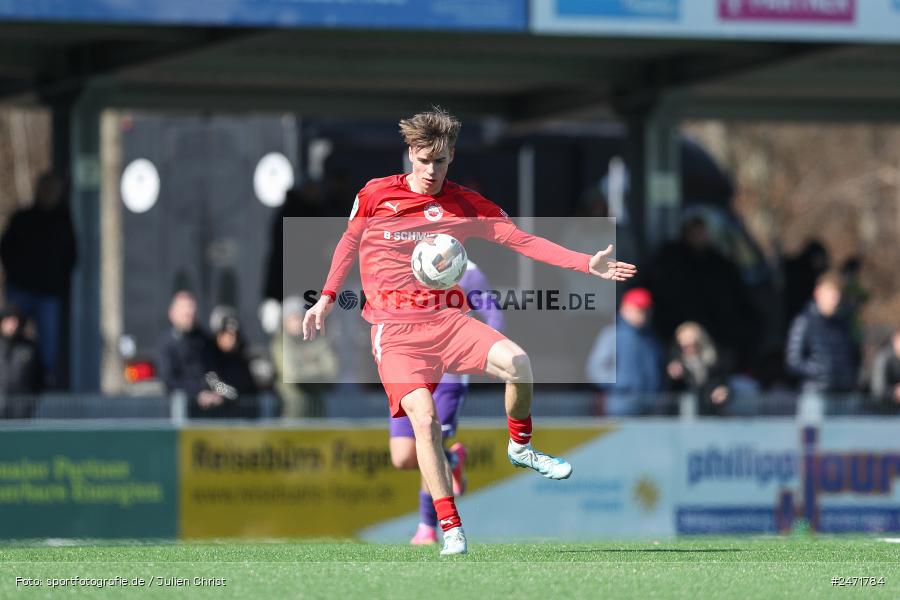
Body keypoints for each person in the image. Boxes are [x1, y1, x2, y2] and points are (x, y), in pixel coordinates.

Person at [302, 107, 636, 555]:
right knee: (426, 423)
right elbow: (348, 242)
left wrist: (584, 263)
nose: (430, 171)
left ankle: (520, 445)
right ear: (410, 155)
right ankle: (450, 529)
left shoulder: (466, 205)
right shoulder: (376, 195)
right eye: (423, 161)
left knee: (518, 362)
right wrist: (325, 297)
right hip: (395, 333)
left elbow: (523, 241)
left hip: (448, 323)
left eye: (439, 162)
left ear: (451, 157)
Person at [391, 260, 504, 545]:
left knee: (427, 442)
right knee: (403, 457)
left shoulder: (469, 271)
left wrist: (492, 352)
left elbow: (493, 314)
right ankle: (452, 460)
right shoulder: (399, 262)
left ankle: (427, 527)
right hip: (406, 370)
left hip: (448, 375)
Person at [0, 172, 76, 386]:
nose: (50, 194)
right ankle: (7, 383)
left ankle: (45, 383)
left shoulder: (63, 221)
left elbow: (71, 255)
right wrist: (15, 274)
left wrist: (59, 281)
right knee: (9, 338)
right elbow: (6, 248)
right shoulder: (23, 218)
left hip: (48, 294)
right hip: (20, 289)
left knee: (49, 345)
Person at [586, 288, 664, 416]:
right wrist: (621, 384)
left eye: (646, 310)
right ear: (624, 309)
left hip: (651, 405)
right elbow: (595, 369)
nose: (643, 314)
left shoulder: (652, 338)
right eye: (638, 309)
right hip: (621, 405)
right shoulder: (611, 334)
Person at [785, 272, 859, 404]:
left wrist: (848, 377)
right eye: (831, 294)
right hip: (815, 397)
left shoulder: (843, 323)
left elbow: (853, 356)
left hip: (843, 395)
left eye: (838, 294)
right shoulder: (804, 322)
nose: (835, 299)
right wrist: (820, 370)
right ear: (818, 293)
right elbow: (793, 361)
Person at [156, 291, 222, 419]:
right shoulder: (166, 344)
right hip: (179, 413)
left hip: (209, 412)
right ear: (172, 314)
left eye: (192, 313)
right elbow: (169, 379)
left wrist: (216, 391)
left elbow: (213, 370)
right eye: (185, 314)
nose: (190, 316)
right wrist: (198, 393)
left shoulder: (205, 340)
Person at [271, 296, 339, 418]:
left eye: (300, 317)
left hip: (317, 408)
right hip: (291, 410)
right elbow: (293, 375)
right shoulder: (280, 343)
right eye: (293, 318)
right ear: (284, 321)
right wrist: (316, 368)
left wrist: (305, 369)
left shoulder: (318, 340)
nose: (297, 322)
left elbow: (331, 372)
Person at [667, 321, 733, 417]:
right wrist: (672, 377)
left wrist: (723, 391)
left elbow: (722, 383)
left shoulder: (713, 361)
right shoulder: (674, 362)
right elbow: (669, 390)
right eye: (684, 346)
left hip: (710, 413)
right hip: (681, 414)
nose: (689, 349)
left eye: (693, 345)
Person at [208, 306, 259, 418]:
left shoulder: (244, 357)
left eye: (234, 334)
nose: (231, 338)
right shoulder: (209, 357)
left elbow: (252, 388)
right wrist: (228, 392)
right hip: (215, 420)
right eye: (225, 334)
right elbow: (211, 381)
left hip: (244, 419)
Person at [0, 306, 42, 418]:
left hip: (22, 406)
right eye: (8, 321)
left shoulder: (29, 347)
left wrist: (32, 398)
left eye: (15, 321)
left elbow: (39, 376)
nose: (12, 325)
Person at [869, 329, 900, 413]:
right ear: (895, 340)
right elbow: (878, 390)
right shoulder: (883, 358)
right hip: (883, 412)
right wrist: (894, 392)